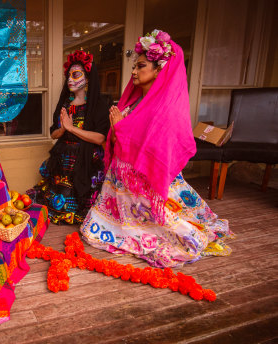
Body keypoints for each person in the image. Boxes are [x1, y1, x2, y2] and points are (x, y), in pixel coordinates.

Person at [80, 30, 233, 268]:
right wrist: (117, 131)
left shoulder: (166, 109)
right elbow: (116, 141)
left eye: (141, 66)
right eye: (135, 66)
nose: (133, 71)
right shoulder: (132, 102)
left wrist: (120, 128)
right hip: (121, 184)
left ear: (158, 70)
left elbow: (154, 149)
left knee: (172, 228)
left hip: (145, 183)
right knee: (93, 230)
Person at [27, 50, 110, 225]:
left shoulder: (97, 106)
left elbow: (100, 139)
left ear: (87, 79)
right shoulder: (65, 105)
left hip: (86, 160)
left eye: (76, 74)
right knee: (56, 201)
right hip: (63, 160)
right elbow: (53, 134)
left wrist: (72, 128)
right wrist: (64, 130)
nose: (71, 79)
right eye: (69, 75)